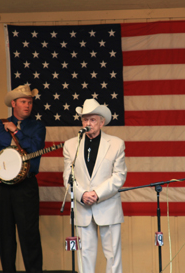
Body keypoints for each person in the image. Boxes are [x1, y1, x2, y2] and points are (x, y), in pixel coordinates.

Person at [0, 85, 45, 273]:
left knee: (29, 235)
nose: (27, 106)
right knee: (5, 235)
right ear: (13, 104)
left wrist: (16, 131)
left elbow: (35, 148)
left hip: (26, 186)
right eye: (23, 102)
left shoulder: (37, 127)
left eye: (30, 102)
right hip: (2, 188)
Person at [63, 98, 127, 273]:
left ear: (101, 122)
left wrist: (97, 194)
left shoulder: (116, 144)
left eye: (92, 119)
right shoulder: (70, 145)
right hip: (82, 207)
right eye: (85, 119)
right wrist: (82, 194)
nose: (88, 123)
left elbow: (119, 176)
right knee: (84, 257)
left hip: (108, 206)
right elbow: (68, 176)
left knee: (113, 256)